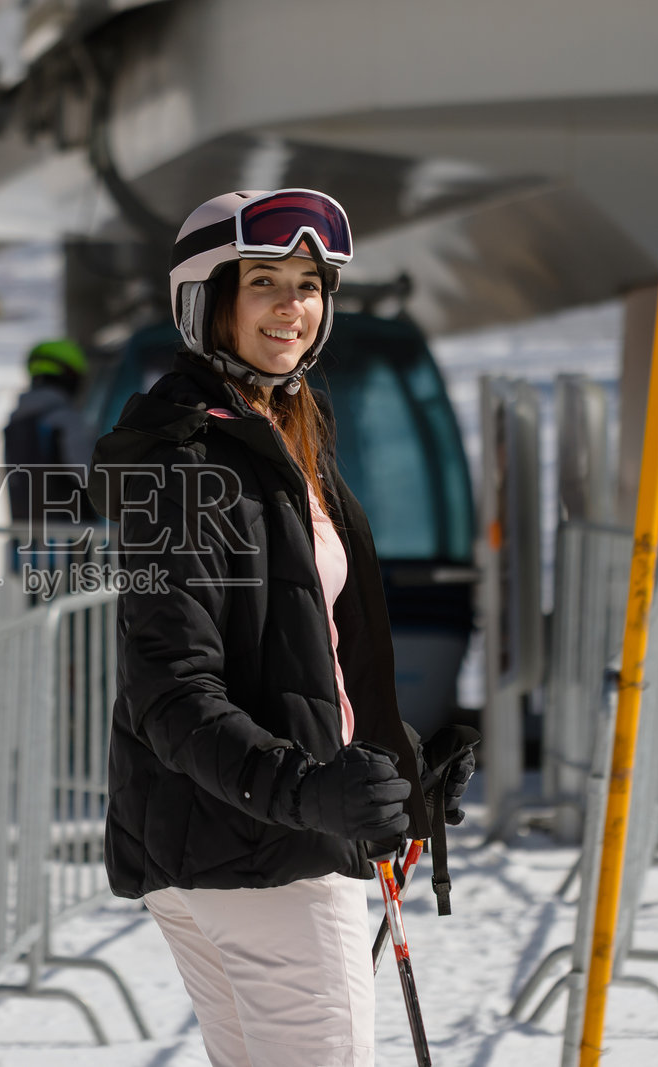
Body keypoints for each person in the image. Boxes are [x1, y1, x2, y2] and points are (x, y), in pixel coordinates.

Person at [88, 188, 477, 1067]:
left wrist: (397, 760)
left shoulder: (272, 442)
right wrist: (308, 793)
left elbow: (294, 660)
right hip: (262, 855)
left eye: (308, 283)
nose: (293, 306)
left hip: (236, 840)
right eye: (264, 281)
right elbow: (172, 691)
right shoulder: (191, 464)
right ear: (208, 299)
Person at [3, 338, 96, 528]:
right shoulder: (65, 419)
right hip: (72, 541)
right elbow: (90, 476)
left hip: (28, 539)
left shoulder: (17, 420)